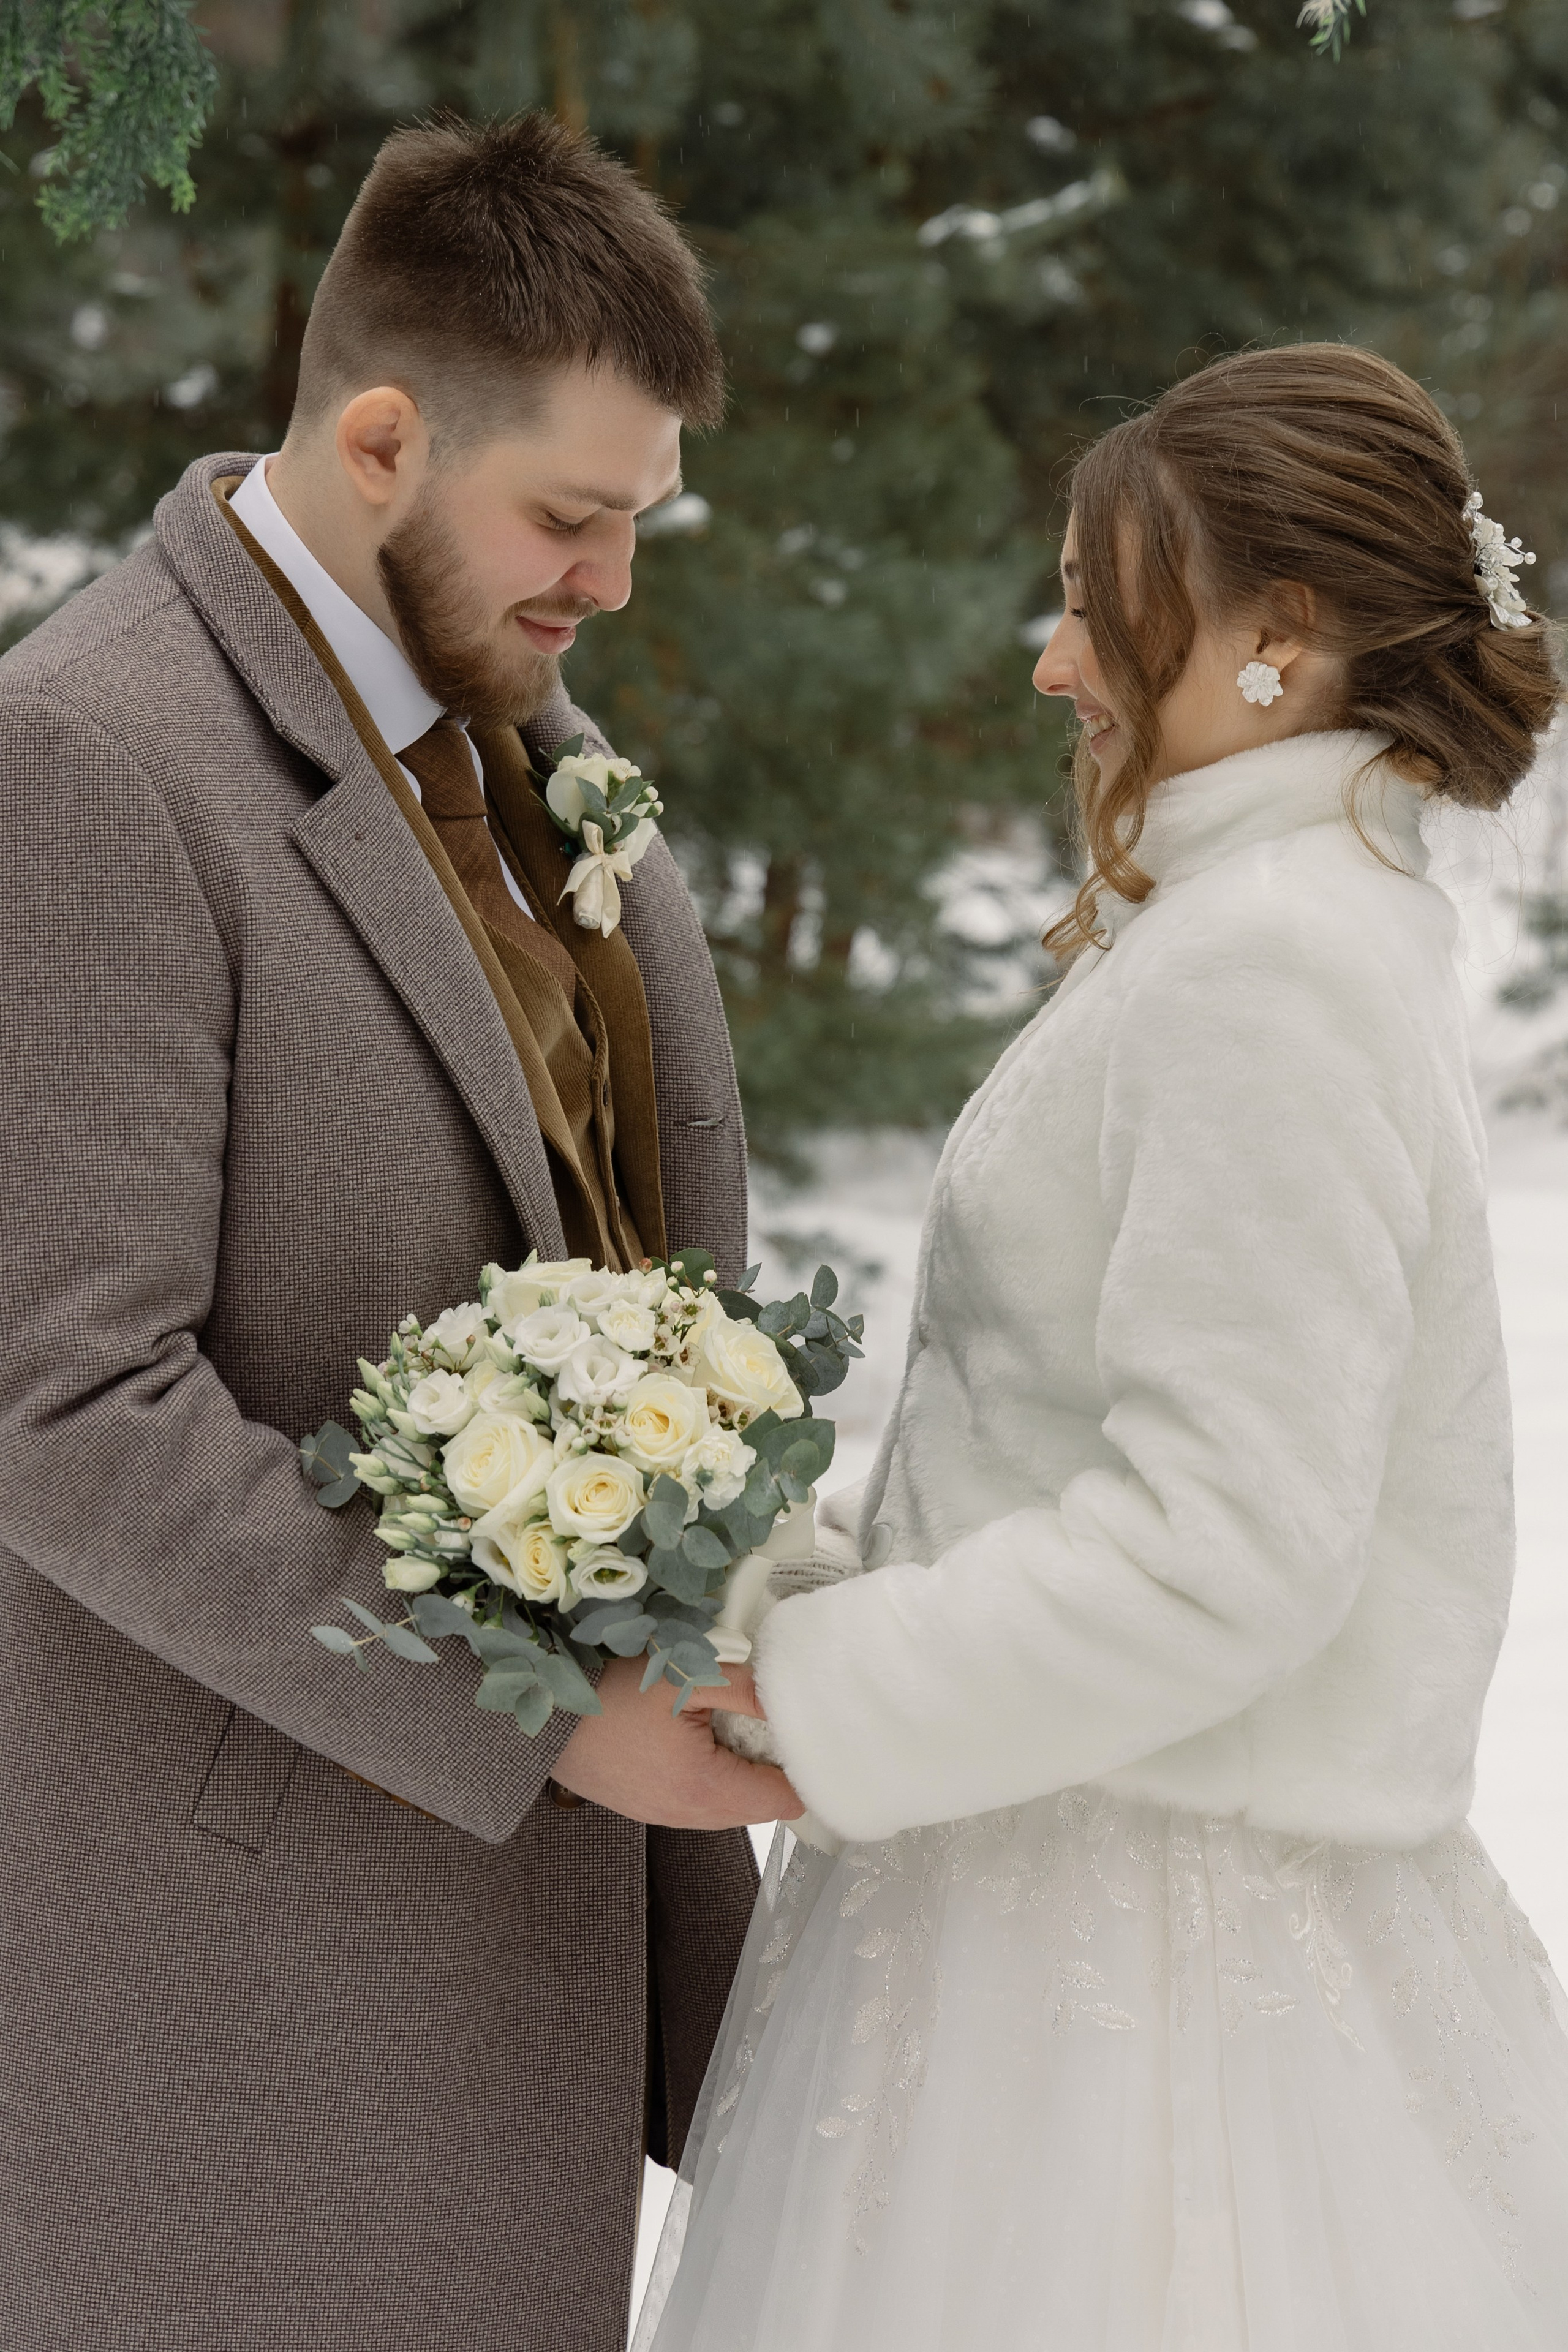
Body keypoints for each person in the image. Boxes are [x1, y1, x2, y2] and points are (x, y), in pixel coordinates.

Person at [641, 344, 1568, 2351]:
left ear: (1277, 634)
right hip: (1060, 1858)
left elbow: (1231, 1547)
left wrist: (828, 1683)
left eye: (1095, 600)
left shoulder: (1274, 964)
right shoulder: (1257, 921)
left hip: (1137, 1973)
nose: (1056, 660)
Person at [0, 111, 799, 2352]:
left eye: (640, 520)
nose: (609, 580)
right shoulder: (87, 759)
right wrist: (530, 1717)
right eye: (570, 516)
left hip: (542, 1942)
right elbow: (63, 1402)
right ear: (378, 441)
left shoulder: (516, 722)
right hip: (258, 1984)